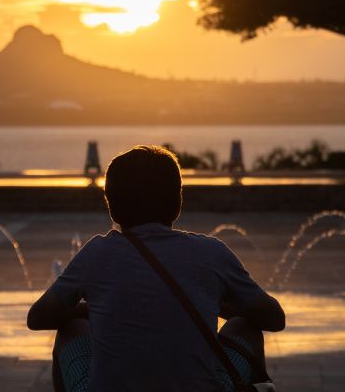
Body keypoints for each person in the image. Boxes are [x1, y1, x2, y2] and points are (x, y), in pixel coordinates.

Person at [27, 145, 285, 392]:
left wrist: (90, 310)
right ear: (178, 203)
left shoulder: (96, 253)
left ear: (111, 206)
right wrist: (213, 304)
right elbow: (274, 317)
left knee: (70, 328)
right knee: (245, 327)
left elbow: (38, 317)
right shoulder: (212, 253)